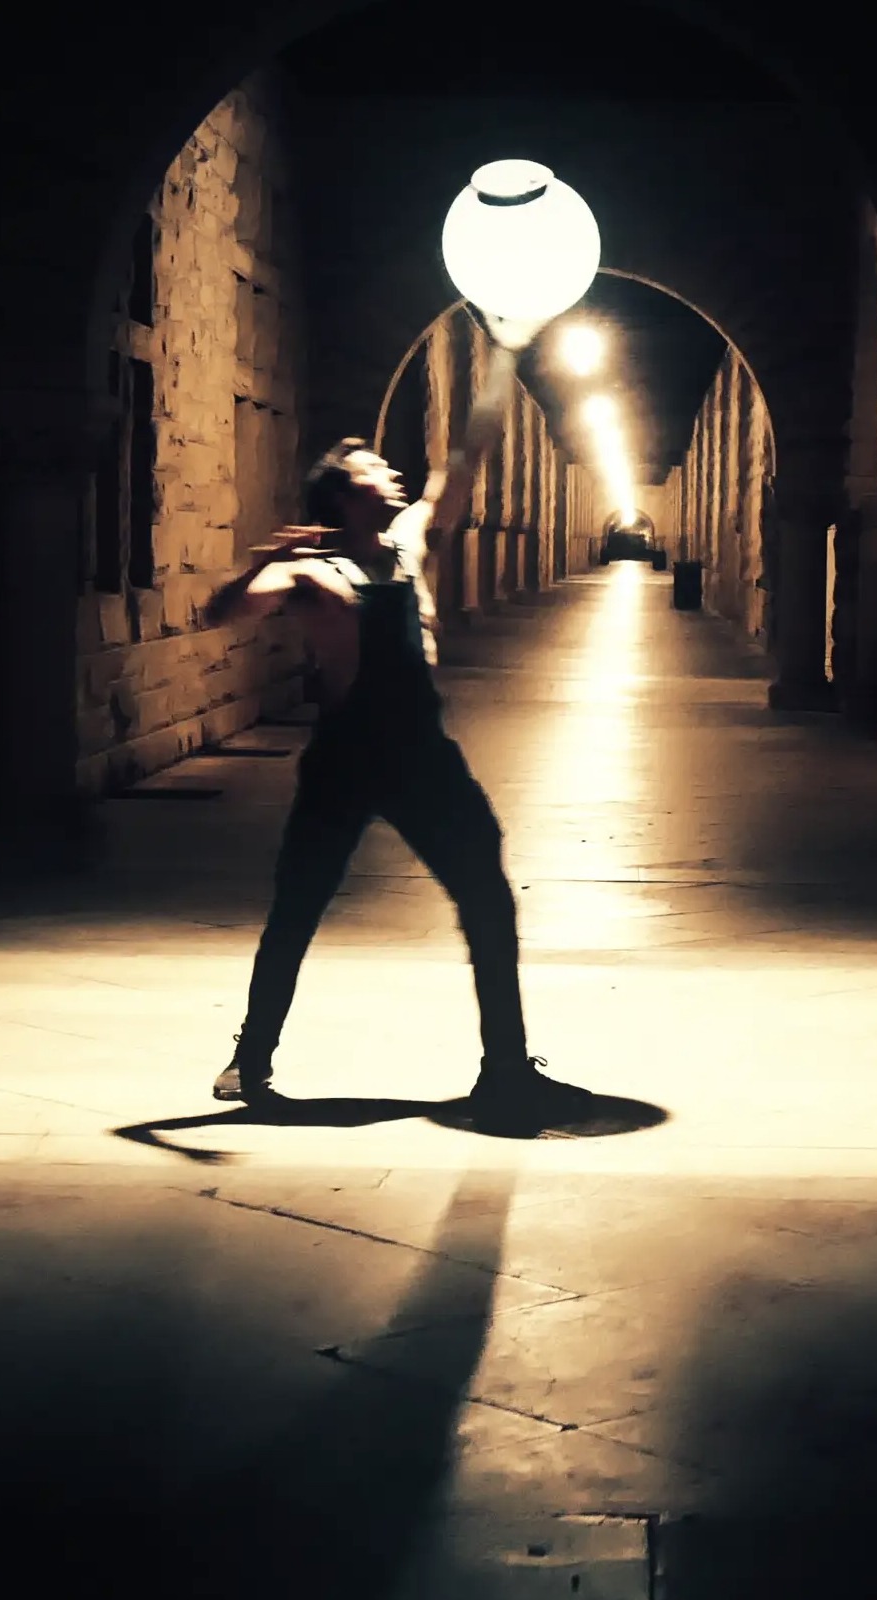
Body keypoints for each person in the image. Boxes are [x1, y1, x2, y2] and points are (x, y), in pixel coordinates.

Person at [202, 335, 589, 1129]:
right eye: (376, 471)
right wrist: (264, 561)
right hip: (346, 761)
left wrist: (506, 354)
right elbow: (222, 612)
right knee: (298, 907)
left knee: (485, 894)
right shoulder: (313, 572)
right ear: (344, 498)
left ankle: (507, 1067)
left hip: (422, 755)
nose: (395, 476)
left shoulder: (408, 545)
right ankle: (252, 1057)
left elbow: (466, 462)